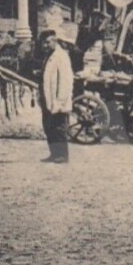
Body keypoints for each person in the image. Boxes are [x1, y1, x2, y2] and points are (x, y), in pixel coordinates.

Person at [39, 28, 74, 164]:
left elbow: (66, 80)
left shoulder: (61, 56)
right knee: (48, 127)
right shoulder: (50, 55)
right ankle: (54, 154)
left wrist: (60, 101)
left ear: (55, 40)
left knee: (59, 127)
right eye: (44, 43)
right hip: (48, 98)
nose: (45, 45)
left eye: (48, 42)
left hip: (58, 100)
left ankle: (63, 155)